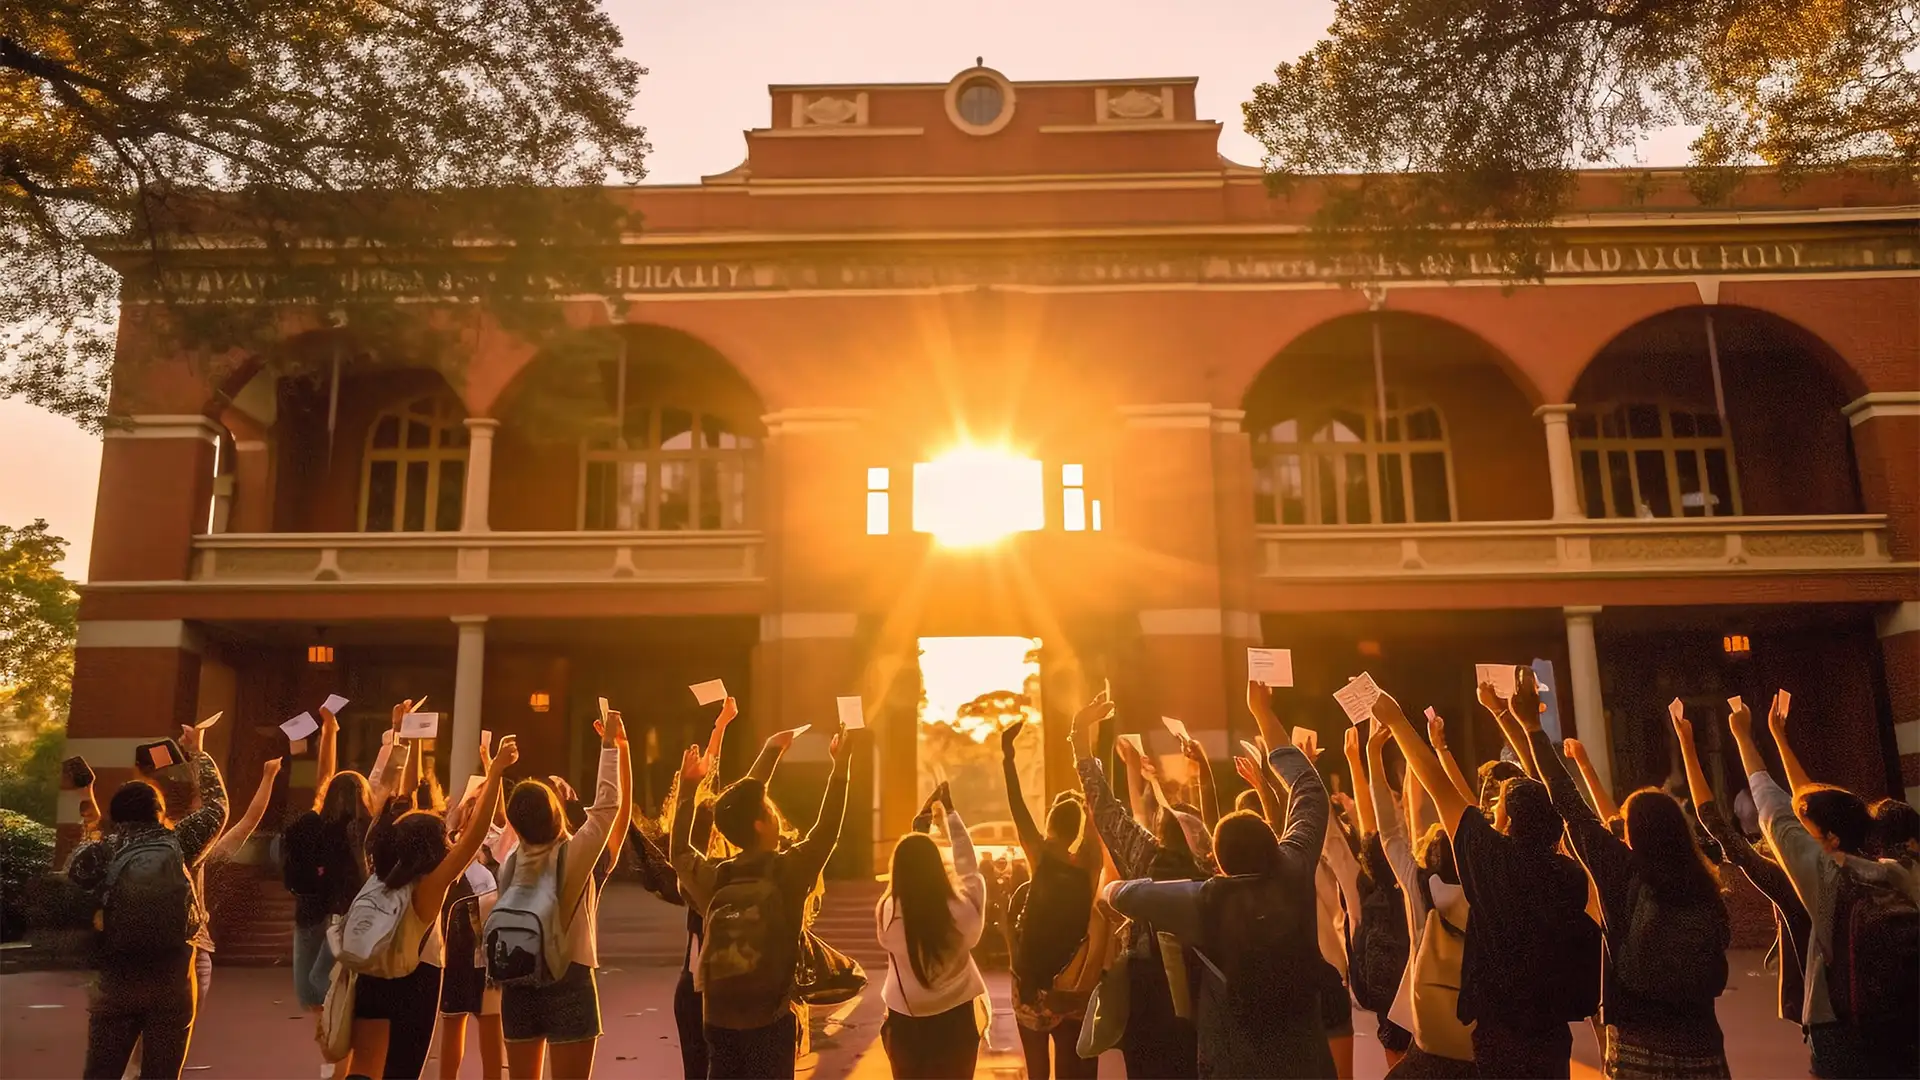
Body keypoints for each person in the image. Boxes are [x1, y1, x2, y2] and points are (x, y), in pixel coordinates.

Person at [1099, 681, 1336, 1078]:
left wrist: (1109, 889)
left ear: (1219, 864)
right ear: (1272, 844)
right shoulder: (1294, 868)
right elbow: (1309, 789)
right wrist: (1263, 713)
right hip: (1304, 1061)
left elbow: (1126, 895)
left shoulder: (1204, 899)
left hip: (1232, 1063)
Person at [1379, 676, 1598, 1079]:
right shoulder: (1571, 875)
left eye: (1497, 811)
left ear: (1509, 821)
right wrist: (1512, 720)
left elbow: (1438, 788)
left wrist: (1396, 721)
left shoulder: (1493, 862)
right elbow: (1558, 796)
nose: (1490, 813)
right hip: (1551, 1039)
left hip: (1499, 1037)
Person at [1528, 703, 1731, 1079]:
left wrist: (1531, 729)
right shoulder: (1704, 884)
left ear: (1631, 834)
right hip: (1702, 1047)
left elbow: (1571, 808)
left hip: (1639, 1046)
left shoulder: (1621, 871)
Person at [1729, 691, 1920, 1079]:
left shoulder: (1829, 876)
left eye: (1811, 830)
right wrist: (1781, 738)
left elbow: (1772, 808)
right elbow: (1810, 807)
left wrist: (1743, 738)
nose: (1804, 832)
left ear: (1830, 838)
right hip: (1905, 1021)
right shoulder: (1900, 871)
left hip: (1841, 1026)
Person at [670, 720, 856, 1079]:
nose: (776, 816)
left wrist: (687, 789)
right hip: (769, 1021)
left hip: (718, 1018)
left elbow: (679, 853)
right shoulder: (788, 871)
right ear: (759, 825)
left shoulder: (717, 876)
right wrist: (841, 768)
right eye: (770, 811)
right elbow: (827, 830)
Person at [345, 708, 517, 1080]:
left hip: (369, 975)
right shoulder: (430, 887)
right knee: (402, 1068)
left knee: (363, 1067)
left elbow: (398, 801)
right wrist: (496, 772)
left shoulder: (377, 869)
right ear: (432, 850)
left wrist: (404, 738)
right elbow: (475, 836)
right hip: (414, 980)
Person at [69, 723, 229, 1080]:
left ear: (118, 816)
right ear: (160, 812)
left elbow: (76, 875)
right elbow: (219, 804)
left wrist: (91, 826)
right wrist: (198, 753)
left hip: (116, 981)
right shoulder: (181, 841)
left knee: (102, 1072)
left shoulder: (104, 850)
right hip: (172, 979)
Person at [1070, 691, 1203, 1079]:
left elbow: (1105, 808)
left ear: (1157, 832)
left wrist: (1079, 737)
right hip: (1204, 994)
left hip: (1146, 995)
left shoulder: (1146, 858)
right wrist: (1203, 775)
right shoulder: (1210, 867)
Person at [495, 707, 632, 1080]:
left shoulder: (509, 861)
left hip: (518, 979)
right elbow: (608, 809)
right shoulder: (572, 857)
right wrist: (612, 748)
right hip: (569, 976)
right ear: (556, 813)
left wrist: (494, 772)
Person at [1672, 706, 1812, 1034]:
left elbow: (1715, 823)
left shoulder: (1798, 885)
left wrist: (1689, 747)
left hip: (1830, 1016)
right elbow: (1816, 805)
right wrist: (1771, 737)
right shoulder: (1868, 866)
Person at [1365, 715, 1475, 1079]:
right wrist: (1440, 750)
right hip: (1479, 1037)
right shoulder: (1488, 884)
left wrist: (1371, 755)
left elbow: (1388, 832)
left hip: (1428, 1037)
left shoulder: (1419, 887)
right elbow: (1473, 814)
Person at [1000, 717, 1107, 1080]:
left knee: (1037, 1072)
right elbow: (1099, 805)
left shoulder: (1040, 857)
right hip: (1072, 988)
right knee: (1070, 1071)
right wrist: (1097, 741)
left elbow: (1017, 808)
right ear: (1078, 829)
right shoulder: (1090, 864)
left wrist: (1007, 758)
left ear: (1049, 824)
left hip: (1031, 985)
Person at [875, 781, 988, 1078]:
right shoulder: (960, 913)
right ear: (938, 867)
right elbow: (970, 873)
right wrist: (951, 815)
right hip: (956, 1023)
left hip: (905, 1024)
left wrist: (917, 832)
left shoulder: (888, 913)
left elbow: (909, 874)